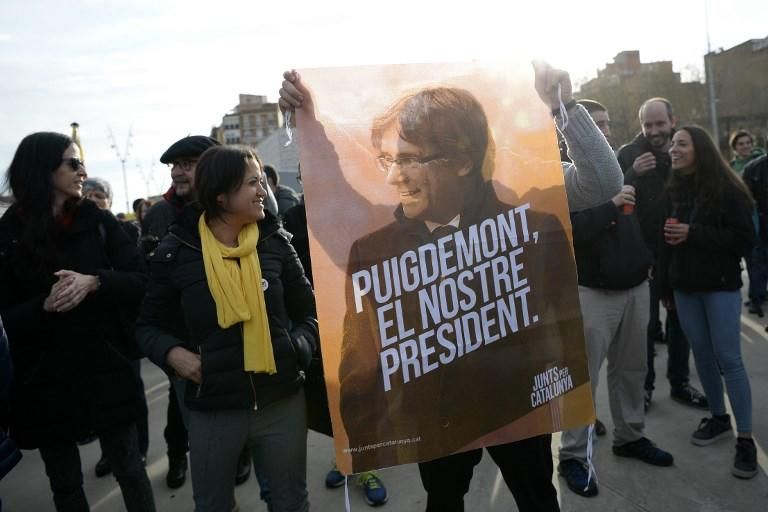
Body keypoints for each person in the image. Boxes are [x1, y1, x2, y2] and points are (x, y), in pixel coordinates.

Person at [279, 62, 623, 512]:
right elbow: (333, 200)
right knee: (444, 500)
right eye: (390, 161)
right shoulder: (378, 240)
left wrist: (565, 107)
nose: (394, 176)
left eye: (409, 159)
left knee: (537, 498)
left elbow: (603, 182)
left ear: (461, 160)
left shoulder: (525, 201)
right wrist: (306, 118)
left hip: (520, 398)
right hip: (436, 408)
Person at [137, 145, 318, 512]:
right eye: (252, 183)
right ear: (221, 195)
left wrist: (296, 346)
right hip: (214, 407)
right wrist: (174, 355)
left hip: (281, 399)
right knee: (213, 504)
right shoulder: (177, 251)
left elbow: (310, 312)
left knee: (291, 503)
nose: (263, 190)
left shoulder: (275, 241)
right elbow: (147, 326)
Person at [0, 132, 155, 511]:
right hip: (44, 379)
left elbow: (142, 279)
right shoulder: (7, 234)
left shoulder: (98, 220)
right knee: (65, 484)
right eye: (73, 162)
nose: (82, 171)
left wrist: (96, 281)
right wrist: (44, 306)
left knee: (130, 469)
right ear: (42, 169)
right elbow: (3, 318)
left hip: (106, 368)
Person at [557, 100, 674, 498]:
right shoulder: (569, 178)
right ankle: (573, 456)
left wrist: (648, 261)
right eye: (596, 124)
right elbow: (569, 232)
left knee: (631, 372)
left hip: (636, 286)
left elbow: (647, 219)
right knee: (582, 380)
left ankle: (629, 436)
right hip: (592, 292)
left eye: (606, 124)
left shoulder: (622, 170)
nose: (604, 131)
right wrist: (609, 205)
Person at [283, 167, 389, 506]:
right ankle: (345, 457)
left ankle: (367, 464)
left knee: (366, 394)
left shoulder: (359, 211)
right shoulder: (293, 218)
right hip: (320, 323)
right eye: (304, 176)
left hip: (363, 318)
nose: (312, 181)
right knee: (334, 398)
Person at [656, 125, 757, 479]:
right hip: (684, 289)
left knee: (729, 358)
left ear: (700, 149)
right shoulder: (676, 189)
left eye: (681, 144)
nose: (673, 149)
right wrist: (667, 289)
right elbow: (666, 241)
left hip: (720, 287)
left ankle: (746, 440)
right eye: (673, 145)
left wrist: (693, 234)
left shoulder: (728, 189)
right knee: (702, 356)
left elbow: (745, 239)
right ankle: (719, 417)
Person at [618, 98, 707, 412]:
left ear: (673, 120)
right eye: (648, 125)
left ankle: (680, 383)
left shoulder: (684, 152)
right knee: (644, 328)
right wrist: (632, 173)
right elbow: (613, 200)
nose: (654, 131)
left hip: (680, 254)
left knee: (680, 323)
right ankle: (645, 389)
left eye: (660, 124)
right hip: (642, 257)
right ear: (640, 125)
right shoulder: (629, 154)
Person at [80, 177, 150, 478]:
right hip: (93, 333)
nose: (93, 199)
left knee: (132, 393)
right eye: (88, 195)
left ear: (109, 201)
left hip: (124, 328)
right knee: (103, 399)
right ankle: (110, 452)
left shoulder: (124, 231)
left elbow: (137, 277)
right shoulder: (75, 233)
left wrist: (101, 280)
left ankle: (140, 450)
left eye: (99, 195)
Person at [743, 152, 768, 319]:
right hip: (760, 227)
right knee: (758, 265)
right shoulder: (754, 168)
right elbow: (744, 199)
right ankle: (756, 300)